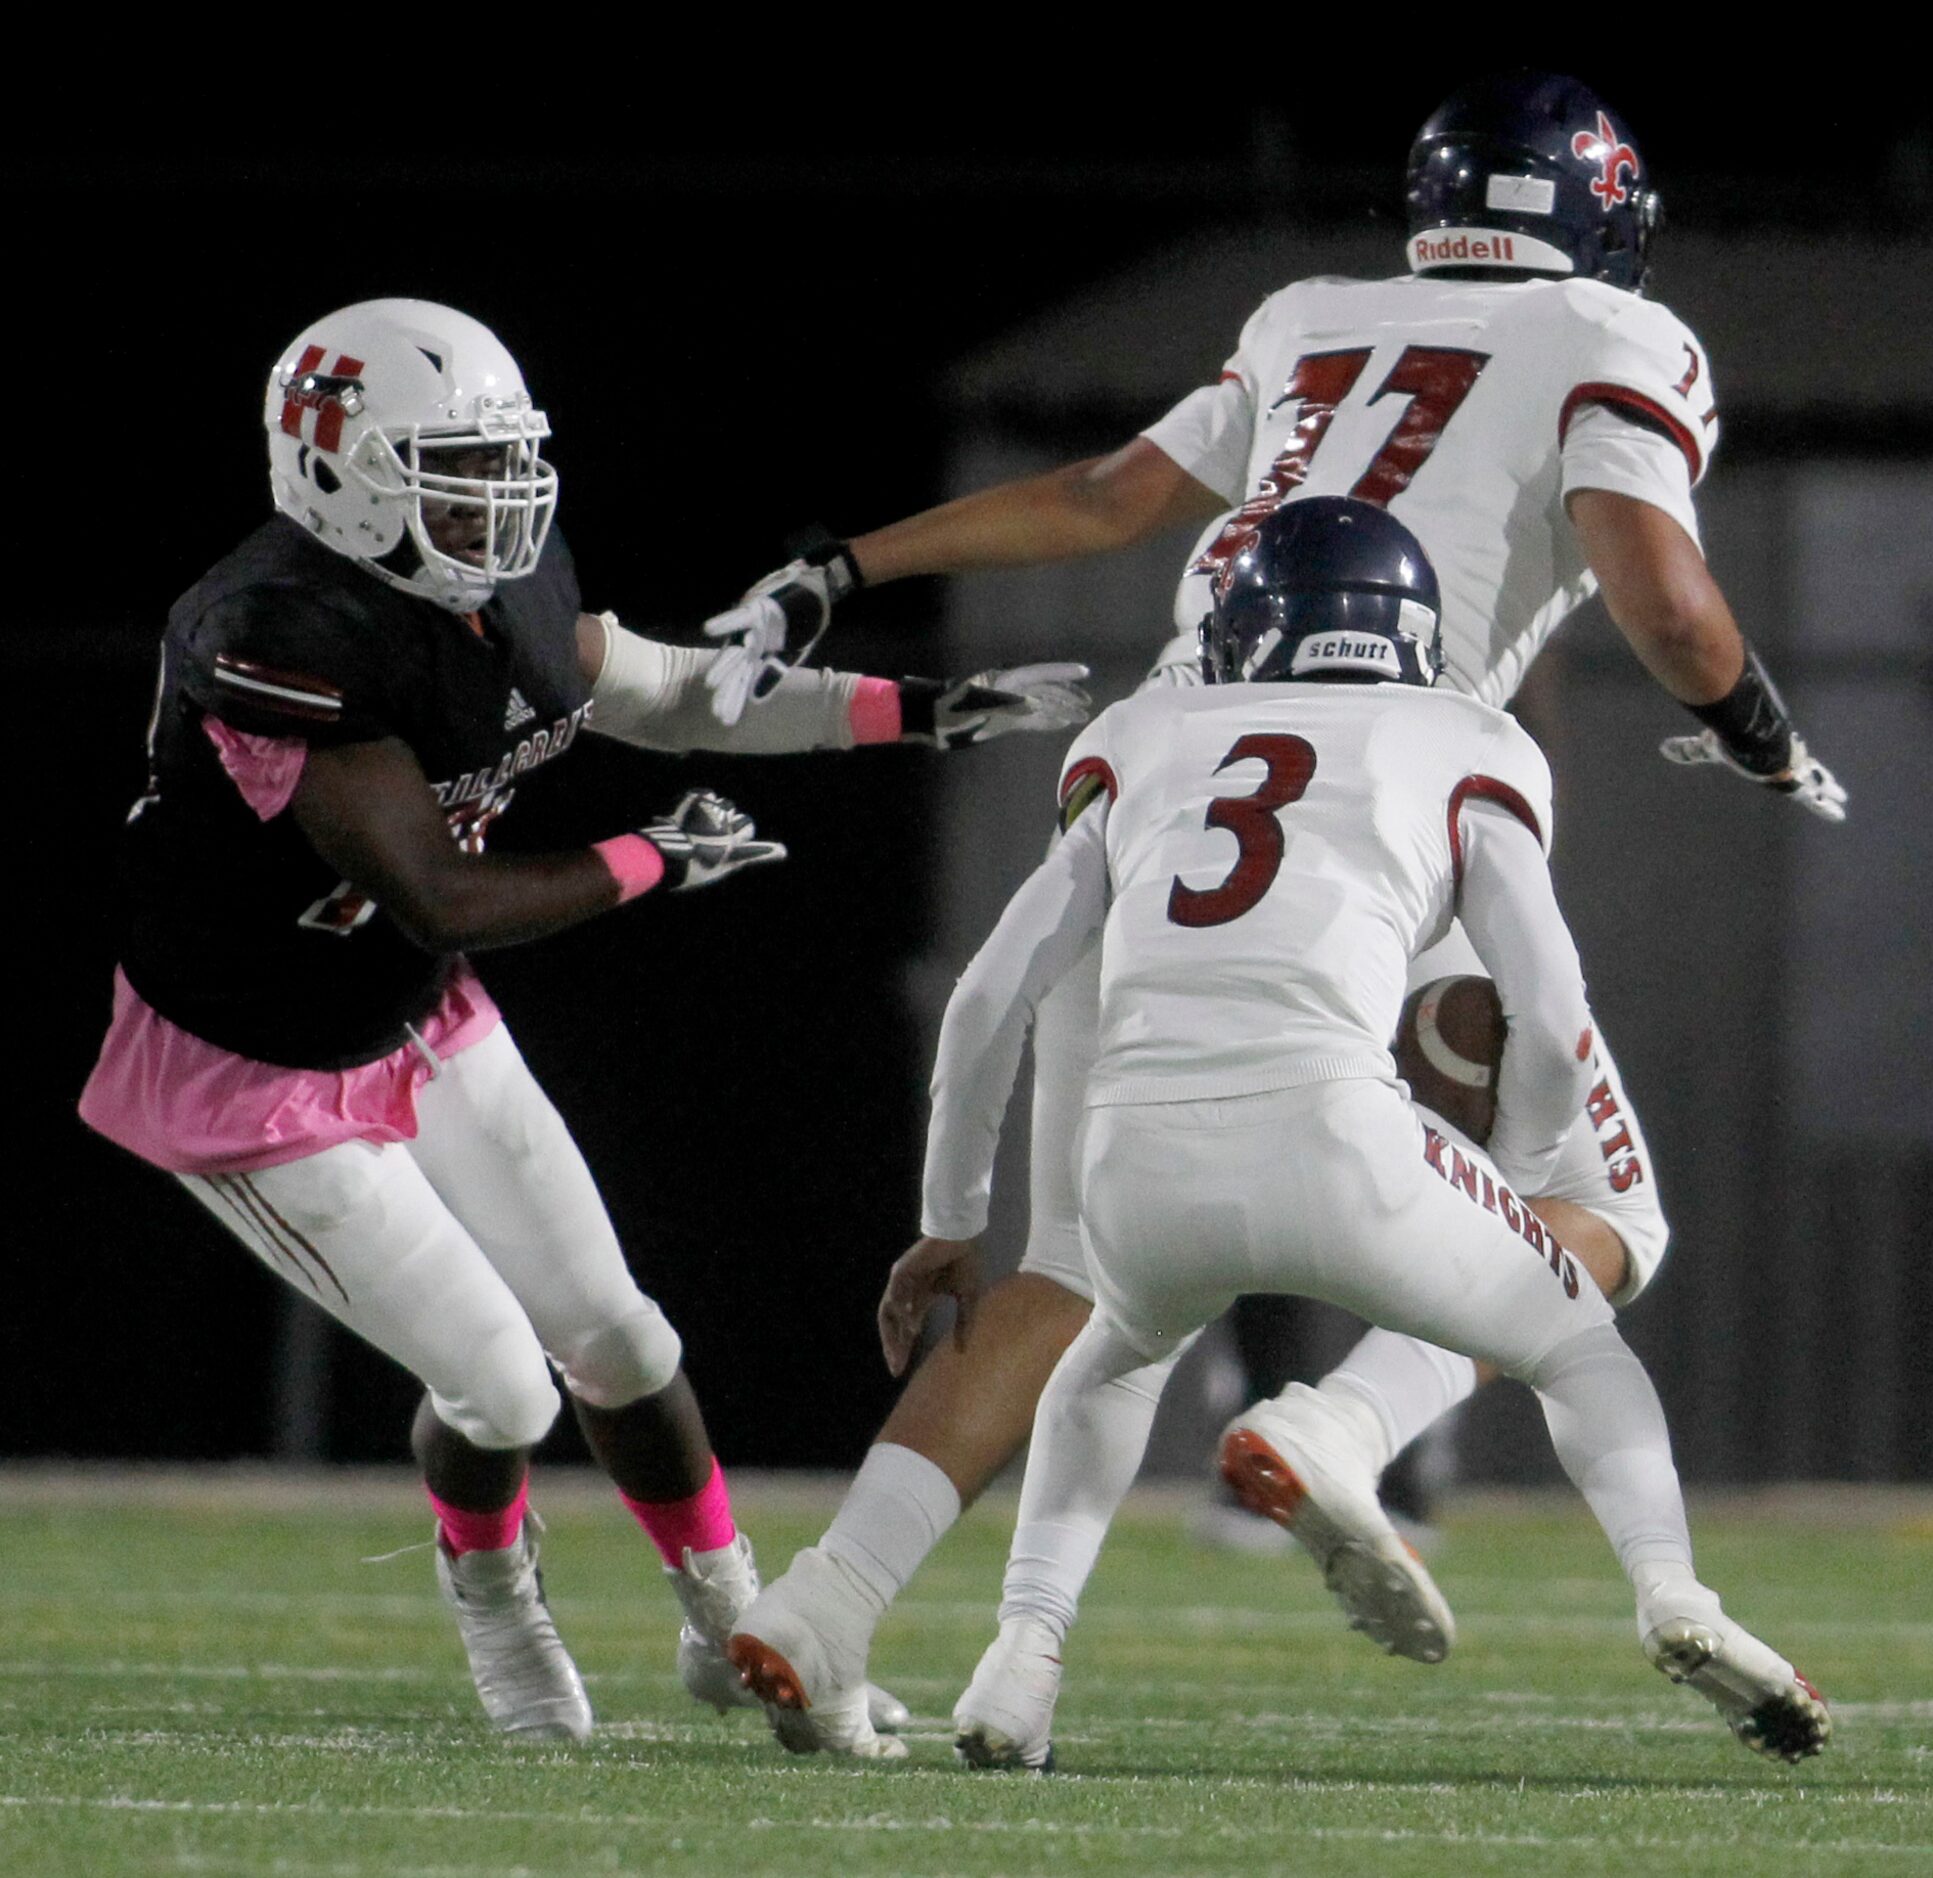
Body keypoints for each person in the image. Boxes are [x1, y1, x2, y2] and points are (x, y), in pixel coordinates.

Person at [704, 73, 1846, 1757]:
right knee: (1595, 1208)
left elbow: (1103, 500)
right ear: (1598, 214)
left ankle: (839, 1599)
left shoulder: (1310, 309)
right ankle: (1347, 1420)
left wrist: (838, 569)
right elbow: (1664, 600)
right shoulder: (1618, 333)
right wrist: (1760, 729)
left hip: (1166, 749)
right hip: (1402, 759)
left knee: (1073, 1257)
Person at [75, 297, 1087, 1745]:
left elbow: (675, 692)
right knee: (495, 1386)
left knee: (619, 1333)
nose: (501, 505)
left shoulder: (497, 581)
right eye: (456, 471)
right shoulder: (279, 630)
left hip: (411, 1014)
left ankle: (730, 1613)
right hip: (256, 1064)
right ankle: (497, 1603)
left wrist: (911, 711)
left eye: (505, 466)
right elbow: (437, 891)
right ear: (342, 475)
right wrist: (650, 859)